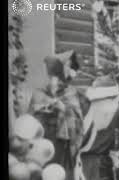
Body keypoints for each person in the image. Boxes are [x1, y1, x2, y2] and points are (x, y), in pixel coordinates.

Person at [28, 51, 91, 179]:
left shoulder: (72, 93)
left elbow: (79, 120)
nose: (70, 69)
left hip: (64, 144)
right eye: (67, 65)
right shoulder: (39, 93)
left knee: (63, 174)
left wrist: (64, 109)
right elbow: (30, 121)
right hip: (44, 142)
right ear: (58, 69)